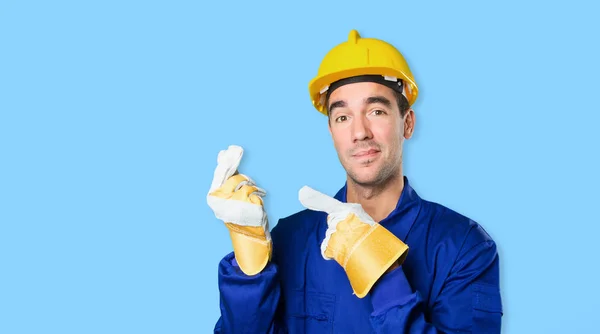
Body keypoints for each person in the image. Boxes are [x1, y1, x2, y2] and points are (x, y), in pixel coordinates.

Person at [207, 30, 503, 333]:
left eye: (376, 111)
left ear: (408, 123)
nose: (359, 132)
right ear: (331, 133)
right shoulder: (291, 239)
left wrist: (384, 276)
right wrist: (250, 269)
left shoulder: (464, 247)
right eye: (342, 117)